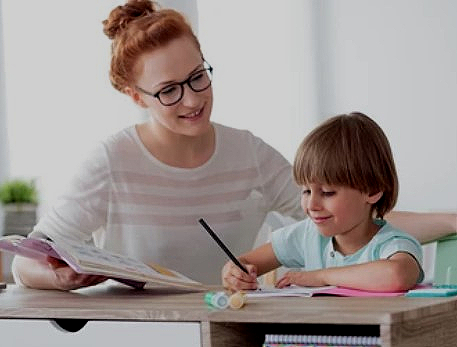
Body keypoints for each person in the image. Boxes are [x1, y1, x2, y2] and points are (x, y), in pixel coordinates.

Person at [12, 0, 456, 291]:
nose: (192, 99)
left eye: (198, 77)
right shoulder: (110, 161)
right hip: (144, 331)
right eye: (168, 90)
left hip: (231, 327)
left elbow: (353, 216)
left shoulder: (250, 155)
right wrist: (61, 279)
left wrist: (452, 220)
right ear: (135, 97)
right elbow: (27, 262)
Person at [222, 113, 424, 292]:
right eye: (306, 191)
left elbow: (396, 275)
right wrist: (235, 273)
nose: (311, 205)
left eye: (327, 192)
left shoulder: (392, 244)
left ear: (372, 191)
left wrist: (320, 276)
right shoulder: (307, 235)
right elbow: (244, 262)